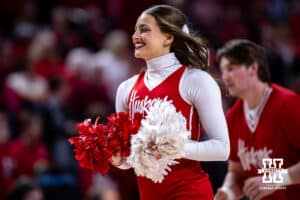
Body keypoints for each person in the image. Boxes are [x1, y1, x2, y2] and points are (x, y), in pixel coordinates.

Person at [111, 4, 230, 200]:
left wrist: (175, 147)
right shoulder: (125, 89)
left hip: (189, 193)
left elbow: (222, 149)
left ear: (168, 37)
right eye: (135, 30)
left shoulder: (195, 80)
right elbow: (128, 158)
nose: (135, 36)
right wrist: (116, 158)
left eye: (144, 29)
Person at [215, 39, 300, 200]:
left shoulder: (289, 105)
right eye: (223, 70)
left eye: (231, 68)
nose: (225, 77)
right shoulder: (233, 117)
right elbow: (237, 171)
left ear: (253, 68)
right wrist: (228, 191)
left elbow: (268, 181)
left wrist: (272, 180)